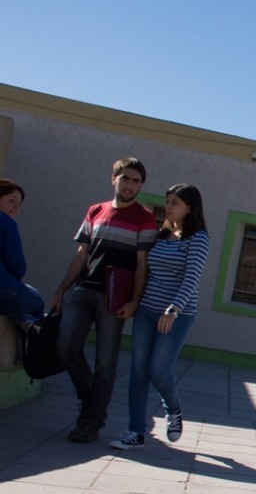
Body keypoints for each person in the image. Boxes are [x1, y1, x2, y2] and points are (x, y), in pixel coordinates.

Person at [50, 157, 159, 444]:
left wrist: (134, 301)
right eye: (126, 179)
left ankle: (91, 422)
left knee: (105, 362)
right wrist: (62, 290)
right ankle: (91, 398)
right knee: (65, 348)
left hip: (114, 300)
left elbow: (142, 265)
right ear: (114, 179)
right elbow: (80, 255)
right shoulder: (95, 210)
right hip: (82, 291)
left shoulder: (145, 218)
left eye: (136, 181)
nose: (130, 185)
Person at [112, 184, 210, 450]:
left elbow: (192, 278)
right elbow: (146, 270)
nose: (168, 206)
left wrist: (174, 309)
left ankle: (173, 409)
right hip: (146, 310)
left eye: (175, 202)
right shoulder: (162, 234)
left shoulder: (198, 238)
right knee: (138, 371)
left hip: (177, 314)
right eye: (168, 201)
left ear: (189, 207)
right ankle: (135, 431)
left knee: (159, 371)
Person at [0, 179, 45, 328]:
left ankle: (23, 318)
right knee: (37, 301)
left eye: (19, 204)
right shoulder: (6, 222)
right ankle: (31, 346)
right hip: (4, 289)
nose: (15, 207)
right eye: (12, 200)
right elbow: (17, 265)